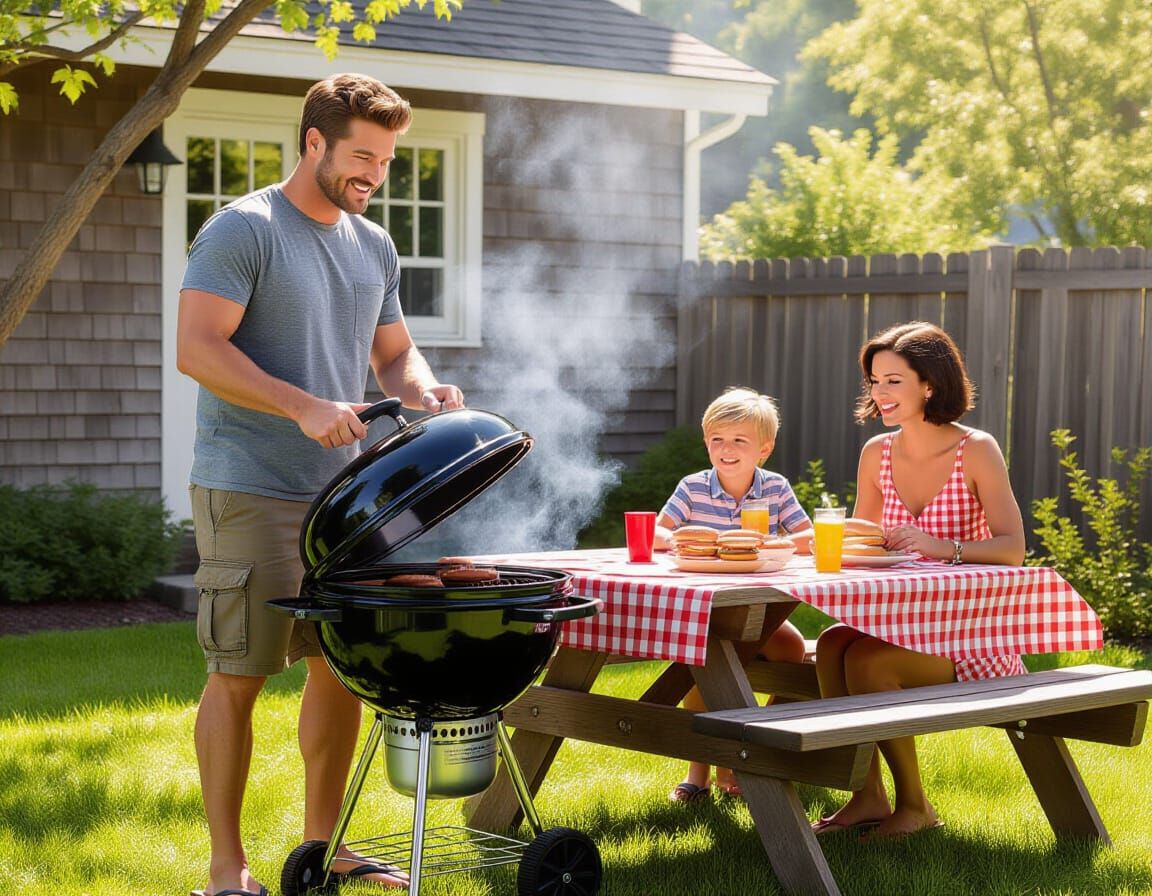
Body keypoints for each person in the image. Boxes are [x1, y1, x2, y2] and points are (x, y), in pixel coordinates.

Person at [177, 73, 464, 896]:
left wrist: (424, 386)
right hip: (250, 482)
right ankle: (225, 869)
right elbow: (197, 348)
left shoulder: (372, 244)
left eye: (386, 160)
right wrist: (303, 406)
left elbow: (394, 352)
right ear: (314, 142)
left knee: (340, 667)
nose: (375, 174)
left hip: (348, 496)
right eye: (362, 156)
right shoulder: (244, 229)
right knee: (241, 672)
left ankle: (324, 845)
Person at [812, 321, 1026, 840]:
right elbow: (863, 539)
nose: (879, 394)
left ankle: (915, 805)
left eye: (893, 381)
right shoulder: (876, 454)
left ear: (929, 384)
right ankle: (867, 795)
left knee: (865, 660)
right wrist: (809, 542)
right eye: (875, 382)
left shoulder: (976, 449)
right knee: (831, 642)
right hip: (905, 619)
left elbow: (1013, 550)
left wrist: (943, 548)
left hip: (972, 633)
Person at [654, 387, 812, 802]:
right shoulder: (693, 487)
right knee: (703, 660)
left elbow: (806, 534)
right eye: (717, 440)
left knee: (793, 649)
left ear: (764, 448)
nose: (727, 449)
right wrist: (680, 543)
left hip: (758, 605)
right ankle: (700, 772)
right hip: (705, 607)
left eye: (739, 441)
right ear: (706, 443)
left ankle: (756, 743)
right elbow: (659, 530)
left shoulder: (774, 488)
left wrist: (778, 545)